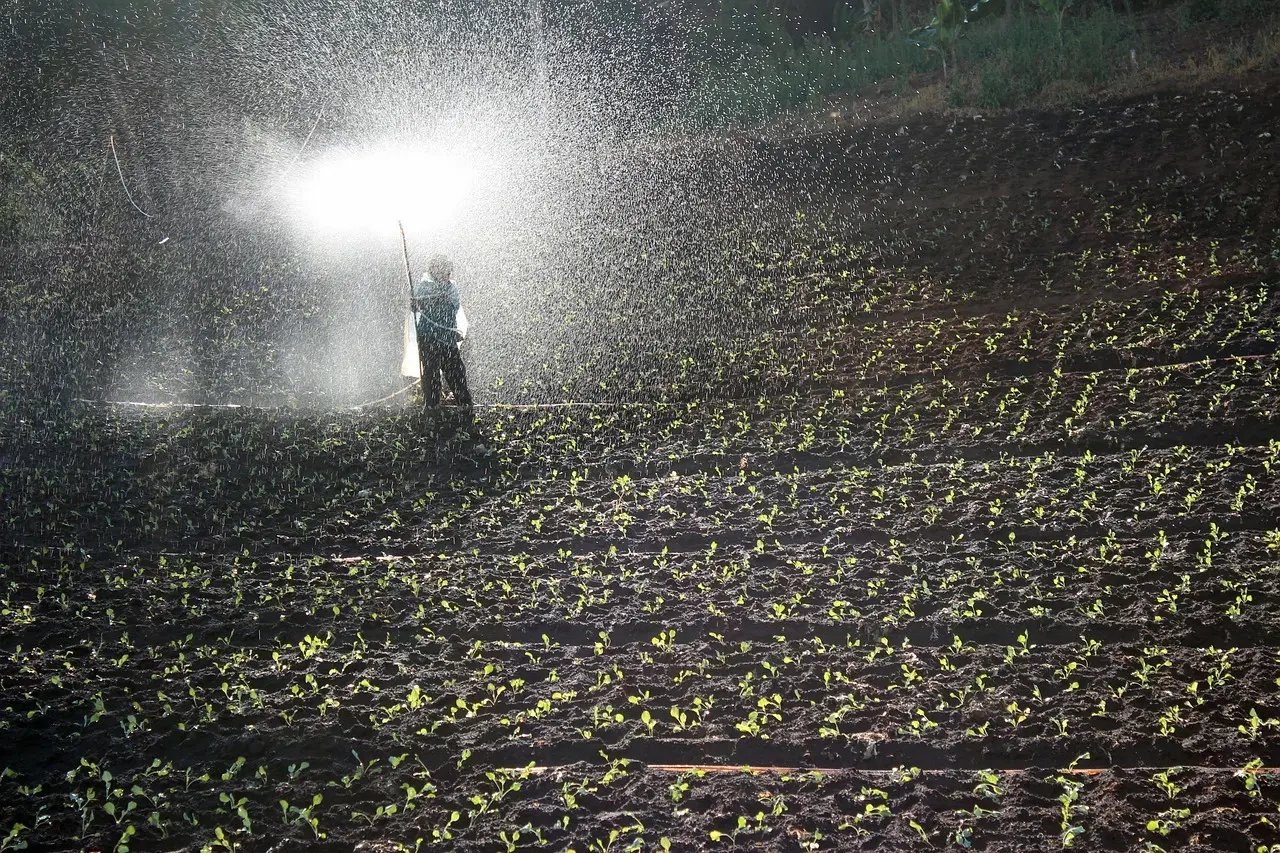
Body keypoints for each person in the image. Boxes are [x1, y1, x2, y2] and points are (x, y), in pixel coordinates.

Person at [411, 255, 472, 408]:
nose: (446, 273)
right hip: (428, 337)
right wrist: (415, 302)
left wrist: (435, 298)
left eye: (448, 270)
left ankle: (465, 406)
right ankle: (432, 408)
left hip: (447, 338)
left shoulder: (451, 287)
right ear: (434, 270)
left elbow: (454, 305)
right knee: (431, 374)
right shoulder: (423, 287)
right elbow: (417, 306)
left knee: (456, 373)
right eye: (443, 269)